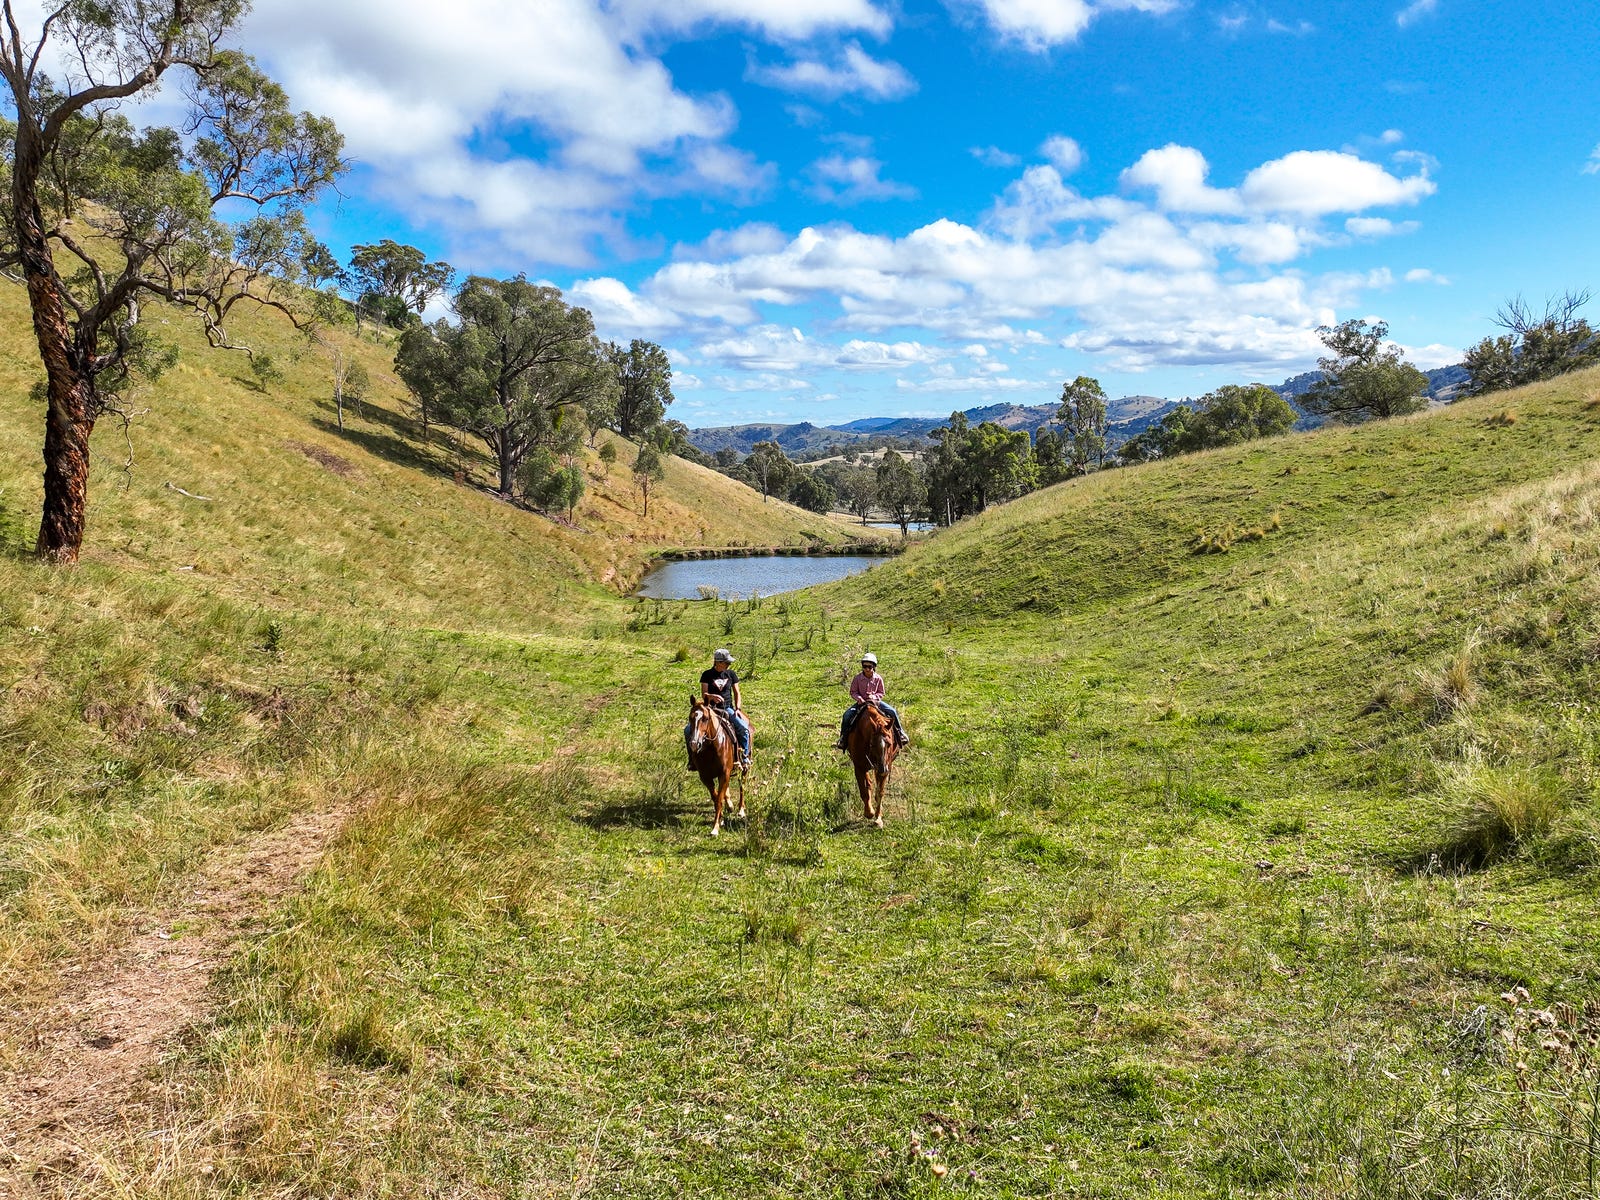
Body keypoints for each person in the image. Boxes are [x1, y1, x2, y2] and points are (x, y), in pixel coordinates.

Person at [835, 652, 909, 750]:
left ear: (874, 667)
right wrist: (859, 698)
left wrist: (874, 697)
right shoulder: (857, 678)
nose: (867, 669)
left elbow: (881, 692)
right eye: (864, 666)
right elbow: (853, 692)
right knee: (847, 715)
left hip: (875, 703)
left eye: (869, 667)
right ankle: (843, 738)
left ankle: (900, 733)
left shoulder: (878, 679)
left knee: (892, 711)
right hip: (861, 703)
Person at [693, 648, 751, 770]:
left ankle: (745, 757)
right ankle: (692, 760)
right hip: (710, 709)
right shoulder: (707, 675)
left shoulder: (731, 674)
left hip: (727, 708)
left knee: (744, 728)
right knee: (688, 730)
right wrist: (712, 696)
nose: (729, 665)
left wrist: (738, 708)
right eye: (726, 662)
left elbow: (737, 693)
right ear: (718, 662)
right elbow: (704, 694)